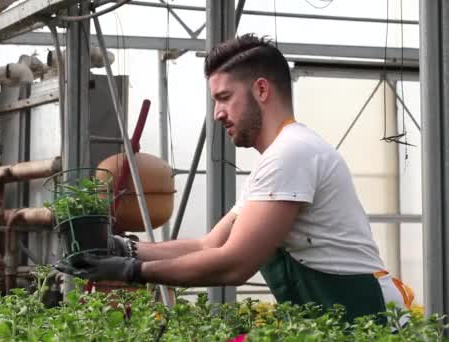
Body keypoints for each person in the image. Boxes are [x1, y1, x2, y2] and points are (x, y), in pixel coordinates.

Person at [56, 33, 413, 323]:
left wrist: (132, 270)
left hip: (367, 320)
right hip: (340, 320)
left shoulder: (292, 153)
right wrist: (123, 248)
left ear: (261, 90)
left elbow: (234, 263)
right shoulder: (278, 157)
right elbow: (209, 244)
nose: (217, 113)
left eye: (224, 97)